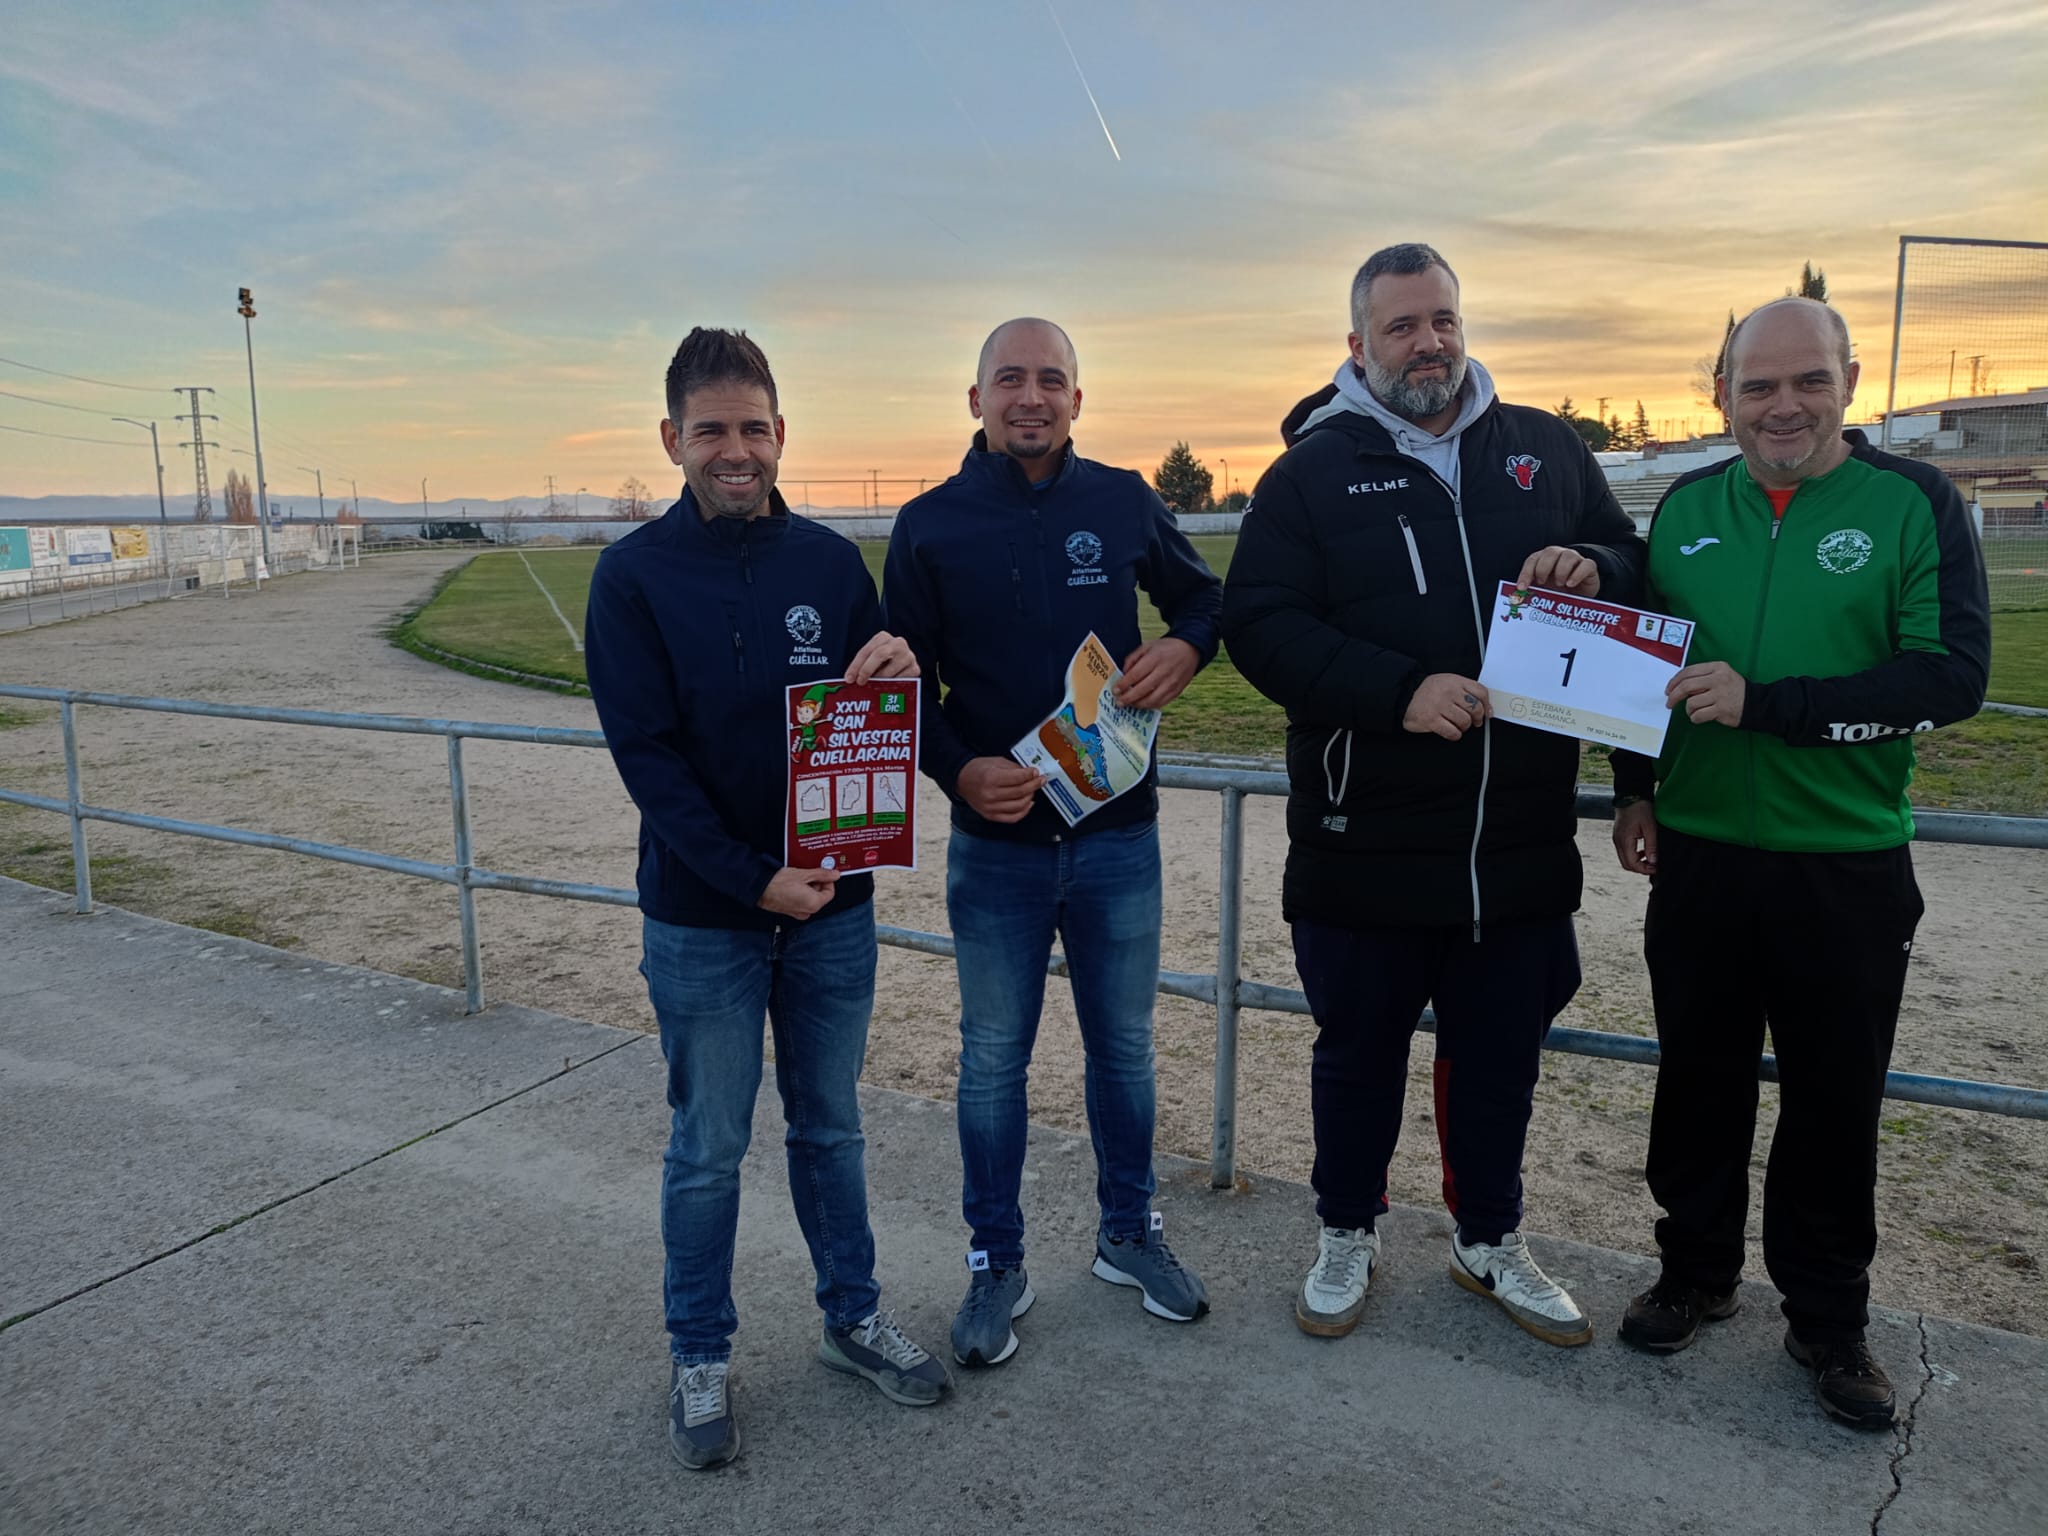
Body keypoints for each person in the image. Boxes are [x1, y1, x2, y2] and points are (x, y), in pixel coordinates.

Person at [1221, 243, 1645, 1348]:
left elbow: (1628, 555)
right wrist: (1397, 692)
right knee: (1356, 1053)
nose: (1429, 343)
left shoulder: (1544, 449)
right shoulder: (1308, 474)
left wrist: (1595, 567)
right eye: (1402, 326)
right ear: (1356, 344)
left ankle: (1487, 1240)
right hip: (1362, 835)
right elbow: (1259, 627)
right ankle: (1345, 1233)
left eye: (1443, 320)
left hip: (1512, 837)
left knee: (1498, 1054)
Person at [1609, 297, 1989, 1428]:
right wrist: (1634, 787)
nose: (1781, 406)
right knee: (1696, 1081)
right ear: (1718, 393)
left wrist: (1769, 707)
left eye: (1805, 382)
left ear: (1848, 382)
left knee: (1832, 1101)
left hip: (1845, 863)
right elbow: (1643, 670)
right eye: (1755, 385)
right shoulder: (1682, 507)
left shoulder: (1912, 501)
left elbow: (1948, 678)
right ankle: (1694, 1276)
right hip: (1703, 859)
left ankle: (1827, 1323)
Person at [584, 327, 950, 1471]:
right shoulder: (633, 575)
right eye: (710, 431)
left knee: (831, 1128)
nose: (733, 450)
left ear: (780, 432)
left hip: (833, 914)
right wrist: (752, 879)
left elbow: (876, 734)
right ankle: (699, 1353)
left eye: (752, 428)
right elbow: (646, 761)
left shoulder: (833, 567)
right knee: (705, 1147)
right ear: (672, 440)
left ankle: (851, 1318)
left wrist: (901, 685)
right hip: (705, 923)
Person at [883, 317, 1224, 1367]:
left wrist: (1183, 644)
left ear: (1077, 399)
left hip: (1118, 837)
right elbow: (903, 685)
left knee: (1122, 1053)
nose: (1030, 396)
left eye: (1051, 380)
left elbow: (1209, 597)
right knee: (992, 1062)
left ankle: (1129, 1234)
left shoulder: (1119, 499)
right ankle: (996, 1260)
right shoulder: (926, 524)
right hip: (996, 851)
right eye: (1008, 380)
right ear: (974, 399)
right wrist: (954, 769)